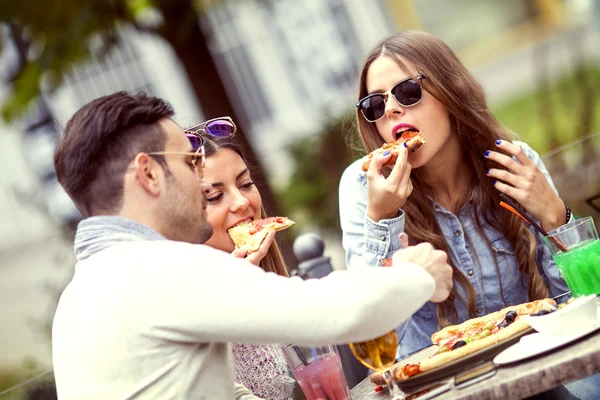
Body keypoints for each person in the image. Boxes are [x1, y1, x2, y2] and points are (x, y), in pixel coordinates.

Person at [51, 91, 453, 400]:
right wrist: (417, 274)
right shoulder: (155, 268)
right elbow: (328, 313)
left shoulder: (78, 298)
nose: (199, 177)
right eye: (191, 163)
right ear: (149, 174)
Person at [339, 30, 571, 359]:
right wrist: (381, 220)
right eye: (375, 103)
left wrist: (558, 220)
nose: (391, 109)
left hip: (545, 364)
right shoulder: (364, 186)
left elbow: (582, 303)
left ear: (450, 90)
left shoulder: (515, 164)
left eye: (407, 91)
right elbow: (378, 341)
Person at [201, 133, 294, 399]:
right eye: (215, 196)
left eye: (245, 184)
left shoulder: (262, 284)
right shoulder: (188, 307)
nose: (242, 202)